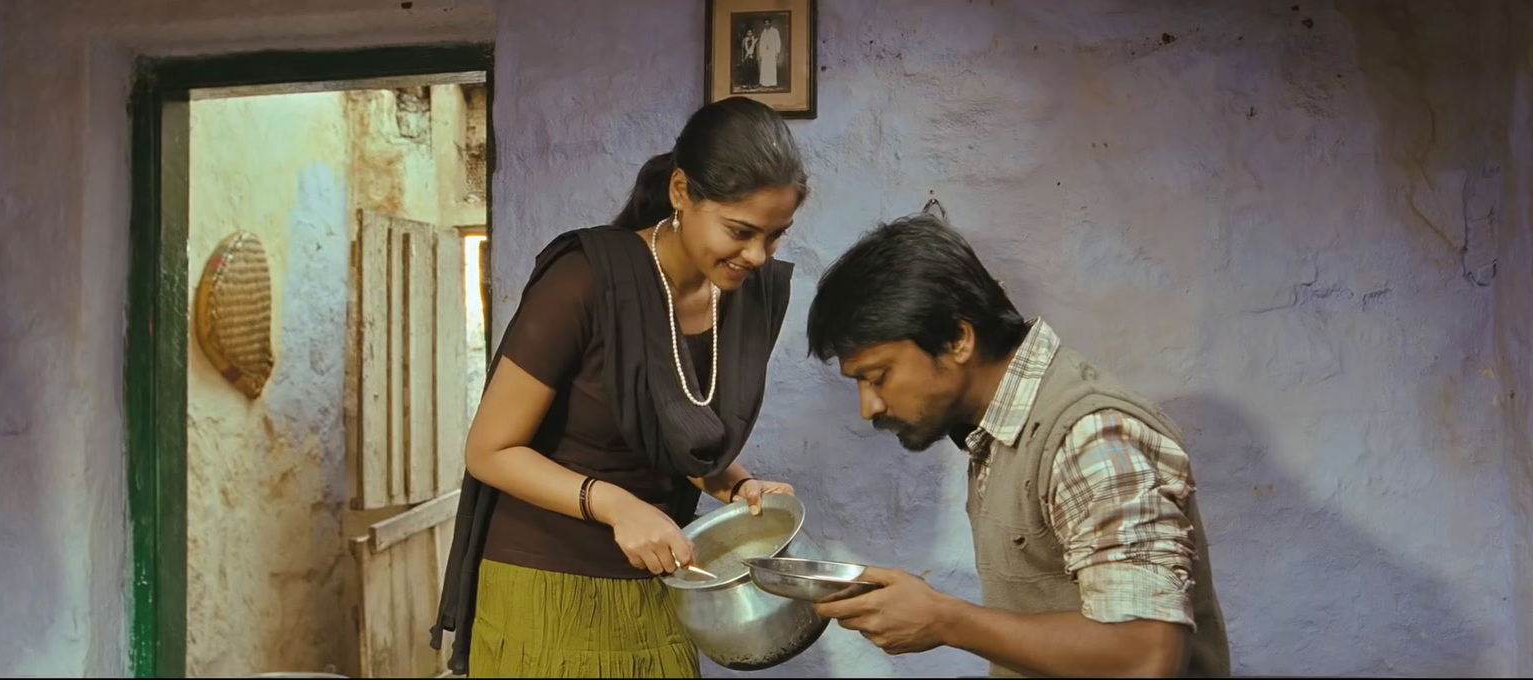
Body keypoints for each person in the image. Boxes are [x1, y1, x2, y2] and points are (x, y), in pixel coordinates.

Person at [430, 96, 810, 678]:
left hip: (664, 579)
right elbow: (488, 450)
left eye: (776, 236)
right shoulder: (584, 279)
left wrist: (738, 484)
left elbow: (676, 434)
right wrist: (615, 506)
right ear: (682, 192)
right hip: (549, 583)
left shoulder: (749, 294)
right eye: (740, 231)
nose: (756, 255)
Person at [801, 206, 1230, 678]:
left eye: (878, 377)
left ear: (958, 339)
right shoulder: (993, 431)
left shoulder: (1089, 436)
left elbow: (1146, 657)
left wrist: (946, 620)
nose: (869, 407)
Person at [758, 17, 782, 88]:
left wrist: (777, 51)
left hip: (772, 52)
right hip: (765, 52)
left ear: (770, 23)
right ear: (764, 24)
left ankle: (772, 83)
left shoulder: (775, 31)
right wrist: (761, 53)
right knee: (765, 67)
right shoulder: (763, 32)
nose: (767, 24)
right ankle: (765, 83)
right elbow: (761, 43)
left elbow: (778, 41)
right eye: (765, 23)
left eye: (768, 22)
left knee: (771, 67)